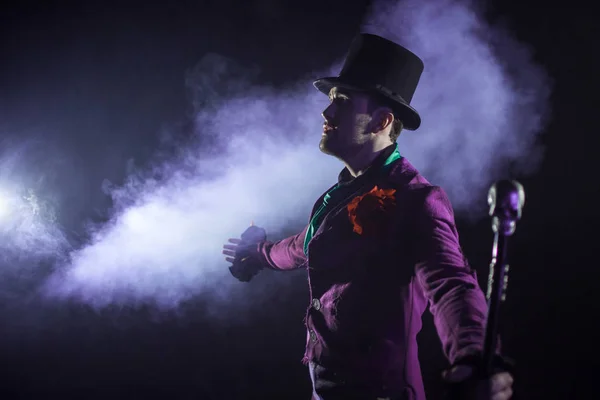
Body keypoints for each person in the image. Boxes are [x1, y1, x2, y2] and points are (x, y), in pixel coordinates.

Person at [222, 33, 514, 400]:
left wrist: (472, 355)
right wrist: (258, 253)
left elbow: (450, 283)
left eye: (341, 102)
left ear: (381, 122)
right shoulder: (334, 197)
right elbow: (300, 247)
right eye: (330, 100)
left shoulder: (416, 199)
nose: (326, 113)